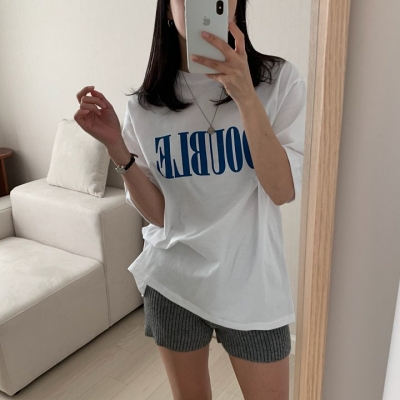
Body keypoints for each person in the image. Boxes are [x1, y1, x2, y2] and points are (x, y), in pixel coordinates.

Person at [74, 1, 306, 398]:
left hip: (253, 287)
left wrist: (245, 96)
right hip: (174, 283)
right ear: (168, 9)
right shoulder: (144, 107)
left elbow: (282, 190)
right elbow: (162, 216)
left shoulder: (277, 81)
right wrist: (117, 148)